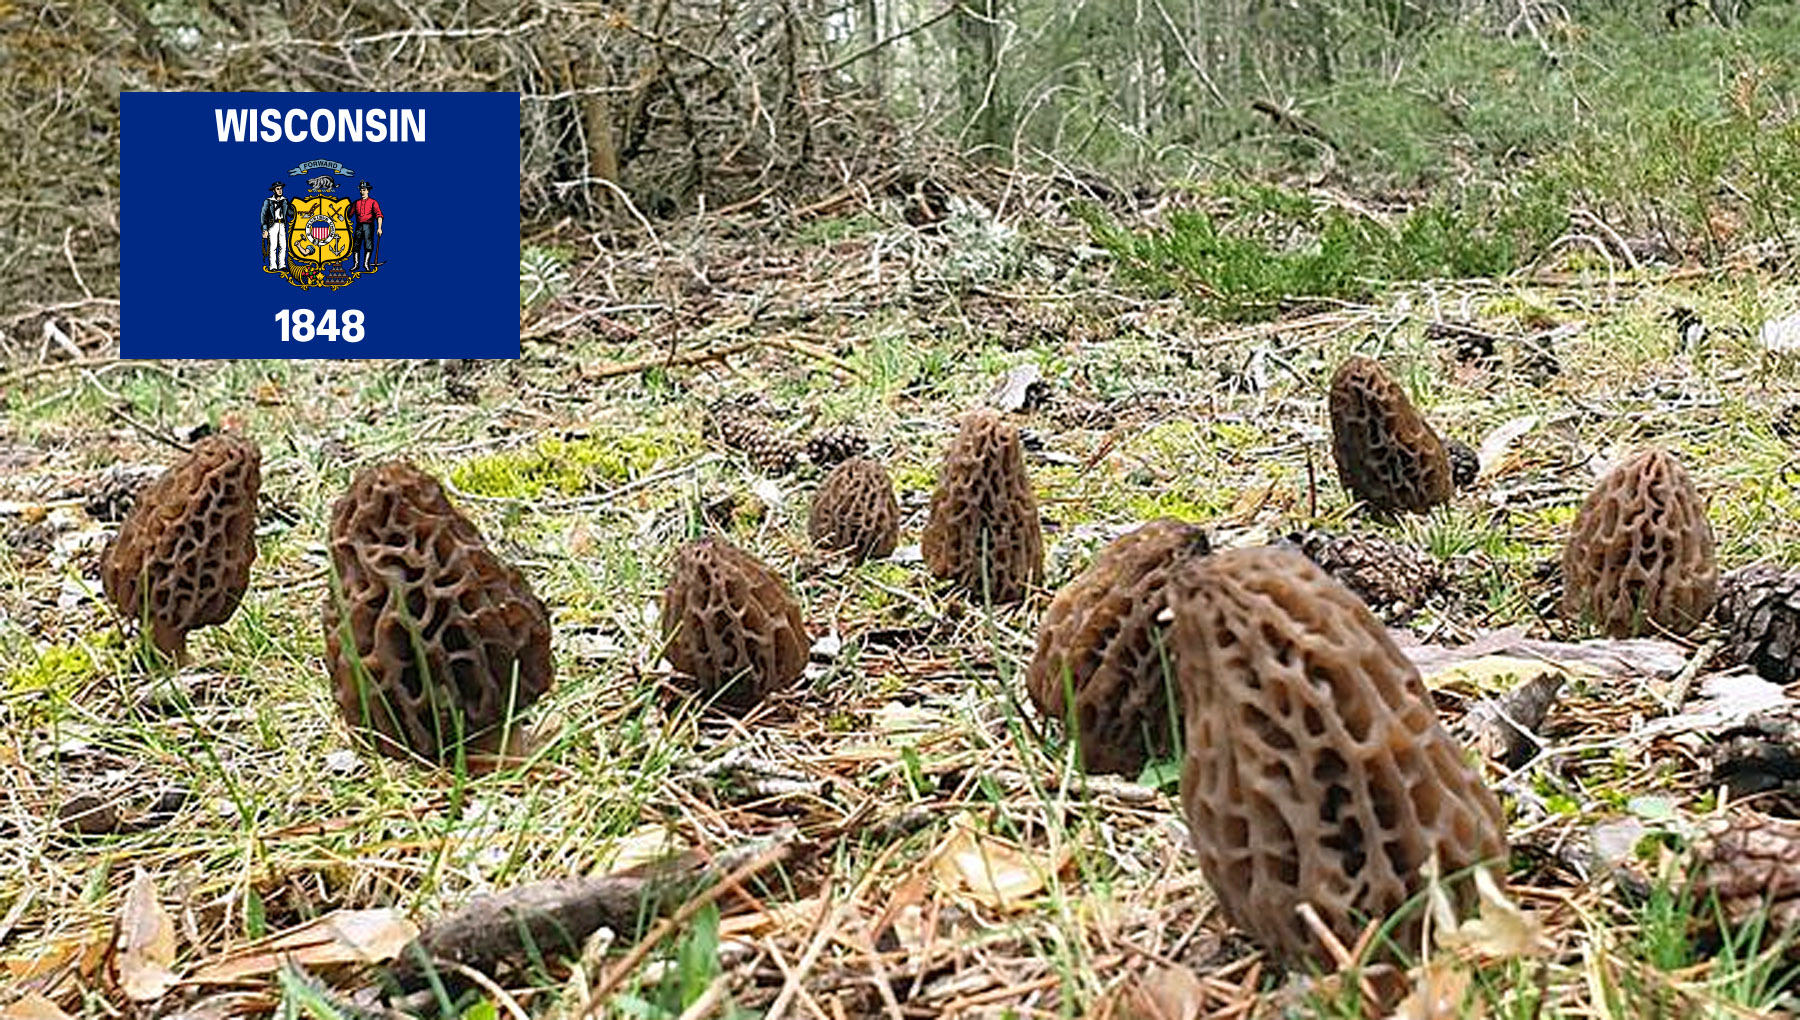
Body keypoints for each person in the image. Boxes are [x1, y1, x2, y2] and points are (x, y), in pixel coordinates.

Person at [350, 180, 383, 271]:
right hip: (358, 226)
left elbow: (379, 215)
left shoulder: (373, 202)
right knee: (356, 245)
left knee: (368, 245)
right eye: (360, 190)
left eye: (364, 190)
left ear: (368, 191)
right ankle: (356, 264)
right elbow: (349, 215)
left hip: (369, 226)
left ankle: (366, 264)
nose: (362, 192)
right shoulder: (356, 203)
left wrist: (379, 228)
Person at [261, 182, 291, 270]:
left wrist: (300, 211)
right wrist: (265, 229)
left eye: (281, 188)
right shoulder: (268, 201)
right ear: (274, 190)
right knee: (273, 246)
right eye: (278, 189)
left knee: (283, 245)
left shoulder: (284, 200)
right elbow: (263, 216)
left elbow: (290, 213)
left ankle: (282, 265)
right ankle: (273, 266)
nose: (280, 191)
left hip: (282, 225)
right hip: (272, 225)